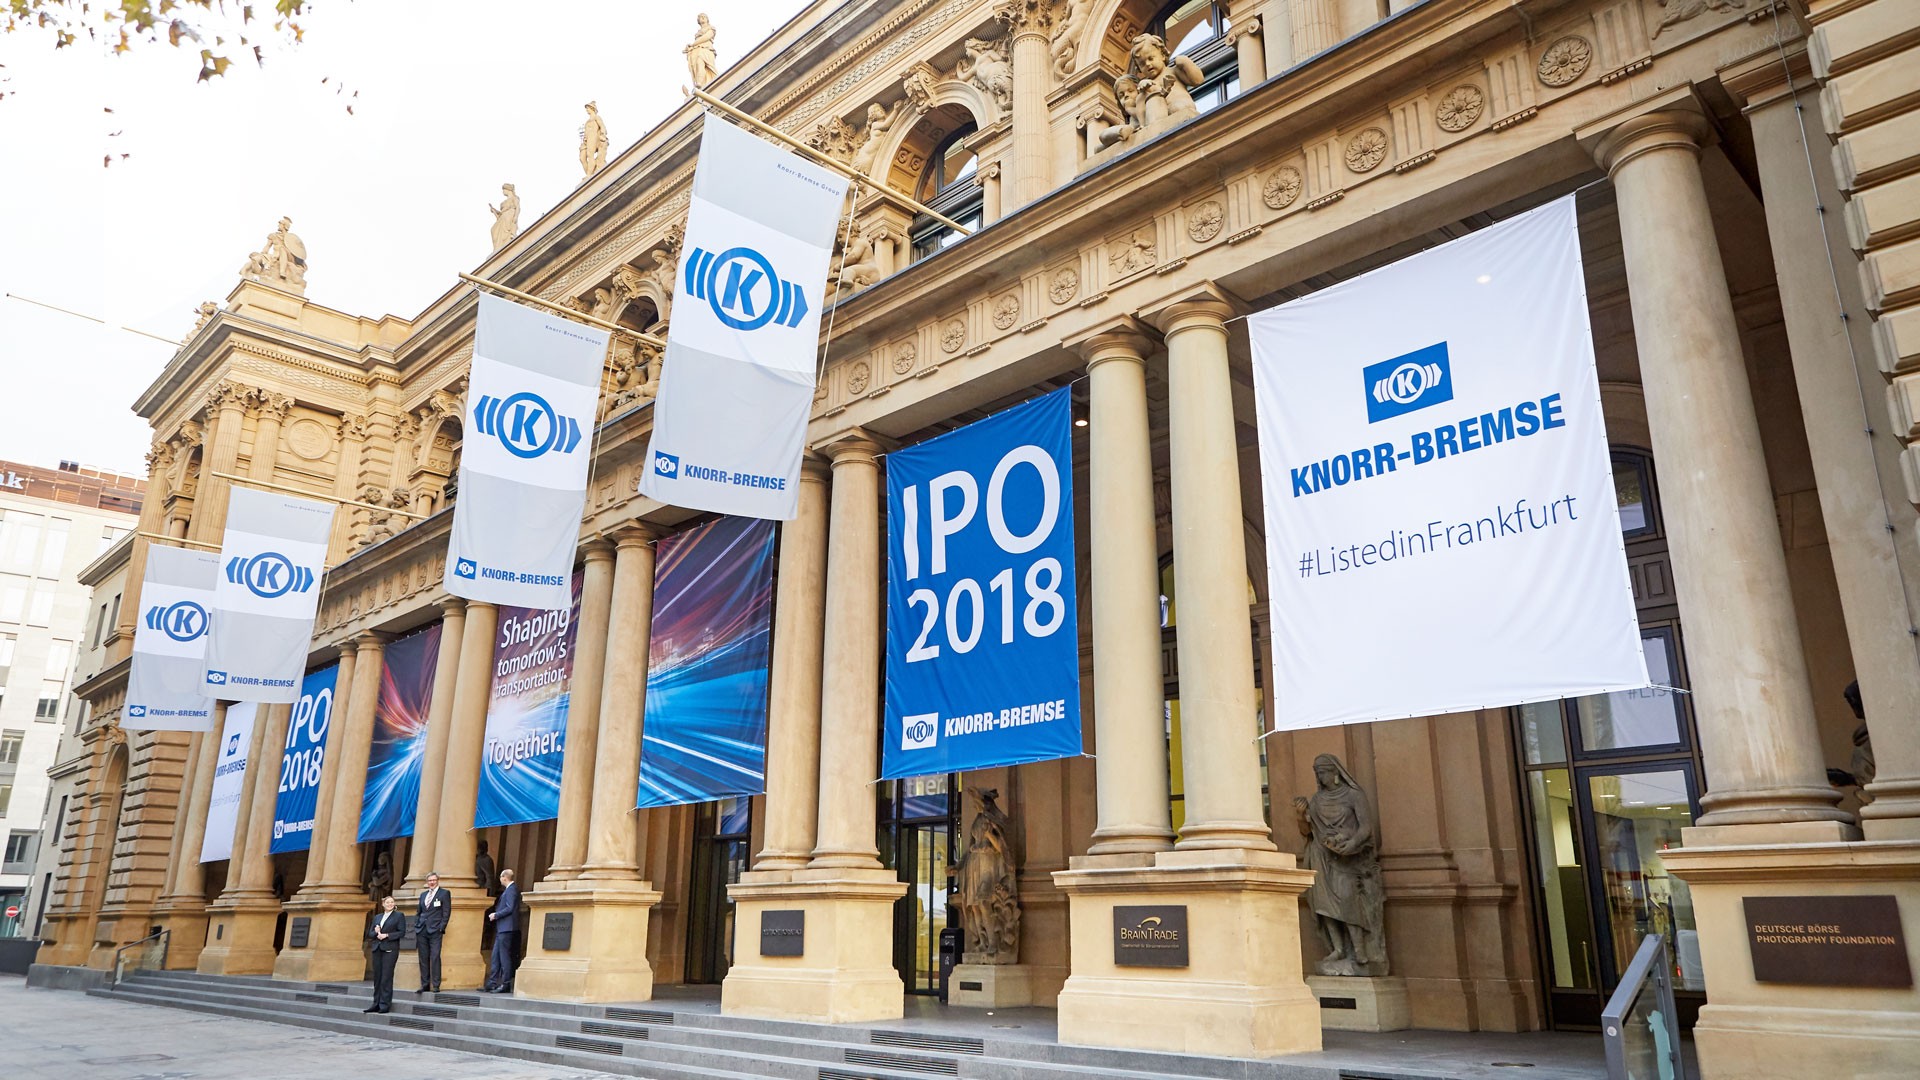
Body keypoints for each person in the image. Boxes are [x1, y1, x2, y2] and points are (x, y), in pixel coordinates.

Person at [484, 869, 520, 993]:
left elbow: (509, 908)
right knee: (496, 956)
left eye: (500, 877)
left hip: (507, 928)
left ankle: (505, 983)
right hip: (503, 928)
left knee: (504, 957)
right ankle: (492, 982)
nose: (500, 879)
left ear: (504, 877)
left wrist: (496, 915)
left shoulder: (511, 890)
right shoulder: (509, 890)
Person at [364, 894, 402, 1013]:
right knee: (377, 977)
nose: (390, 904)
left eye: (392, 902)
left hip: (390, 949)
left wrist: (387, 935)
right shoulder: (377, 917)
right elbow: (370, 934)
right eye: (387, 902)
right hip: (377, 949)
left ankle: (385, 1004)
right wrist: (376, 933)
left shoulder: (399, 916)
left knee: (386, 977)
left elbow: (402, 932)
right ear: (383, 904)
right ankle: (376, 1003)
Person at [415, 871, 449, 993]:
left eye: (434, 880)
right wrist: (416, 925)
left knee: (435, 957)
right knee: (423, 958)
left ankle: (435, 985)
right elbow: (419, 912)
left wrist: (442, 927)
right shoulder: (423, 895)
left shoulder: (444, 893)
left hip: (435, 930)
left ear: (437, 880)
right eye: (430, 880)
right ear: (427, 882)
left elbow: (446, 912)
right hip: (422, 929)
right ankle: (424, 984)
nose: (432, 882)